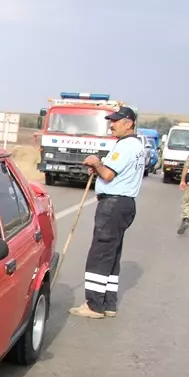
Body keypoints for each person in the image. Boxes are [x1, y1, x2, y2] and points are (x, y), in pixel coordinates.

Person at [69, 106, 147, 319]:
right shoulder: (137, 145)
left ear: (128, 123)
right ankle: (108, 302)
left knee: (100, 253)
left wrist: (96, 163)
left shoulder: (125, 146)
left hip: (113, 204)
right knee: (112, 254)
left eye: (116, 121)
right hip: (125, 204)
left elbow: (109, 175)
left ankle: (94, 305)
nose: (111, 125)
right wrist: (100, 168)